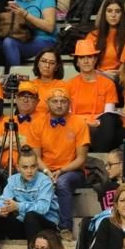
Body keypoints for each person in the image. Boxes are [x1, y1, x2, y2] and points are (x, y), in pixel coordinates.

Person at [35, 87, 90, 241]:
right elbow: (36, 156)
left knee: (62, 183)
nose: (59, 105)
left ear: (69, 103)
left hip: (73, 171)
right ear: (47, 103)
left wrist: (61, 170)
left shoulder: (79, 123)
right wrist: (47, 172)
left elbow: (81, 159)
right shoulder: (38, 123)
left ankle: (65, 227)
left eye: (63, 101)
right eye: (55, 101)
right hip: (45, 169)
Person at [0, 145, 59, 249]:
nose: (30, 171)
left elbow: (43, 208)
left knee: (31, 216)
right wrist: (1, 210)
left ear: (37, 166)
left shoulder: (45, 181)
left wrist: (18, 206)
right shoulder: (13, 180)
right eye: (25, 167)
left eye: (33, 167)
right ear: (18, 168)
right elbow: (2, 201)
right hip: (24, 224)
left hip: (45, 226)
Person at [3, 0, 57, 66]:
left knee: (9, 43)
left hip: (45, 40)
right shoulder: (18, 0)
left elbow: (49, 27)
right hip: (24, 38)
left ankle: (16, 77)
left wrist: (25, 14)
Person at [87, 0, 125, 74]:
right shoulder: (93, 35)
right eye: (109, 11)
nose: (113, 15)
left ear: (122, 14)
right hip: (98, 76)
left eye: (117, 11)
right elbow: (86, 63)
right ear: (104, 13)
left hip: (121, 78)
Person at [31, 47, 65, 116]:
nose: (47, 66)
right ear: (37, 63)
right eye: (43, 61)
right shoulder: (30, 85)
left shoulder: (64, 86)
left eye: (52, 63)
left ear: (56, 67)